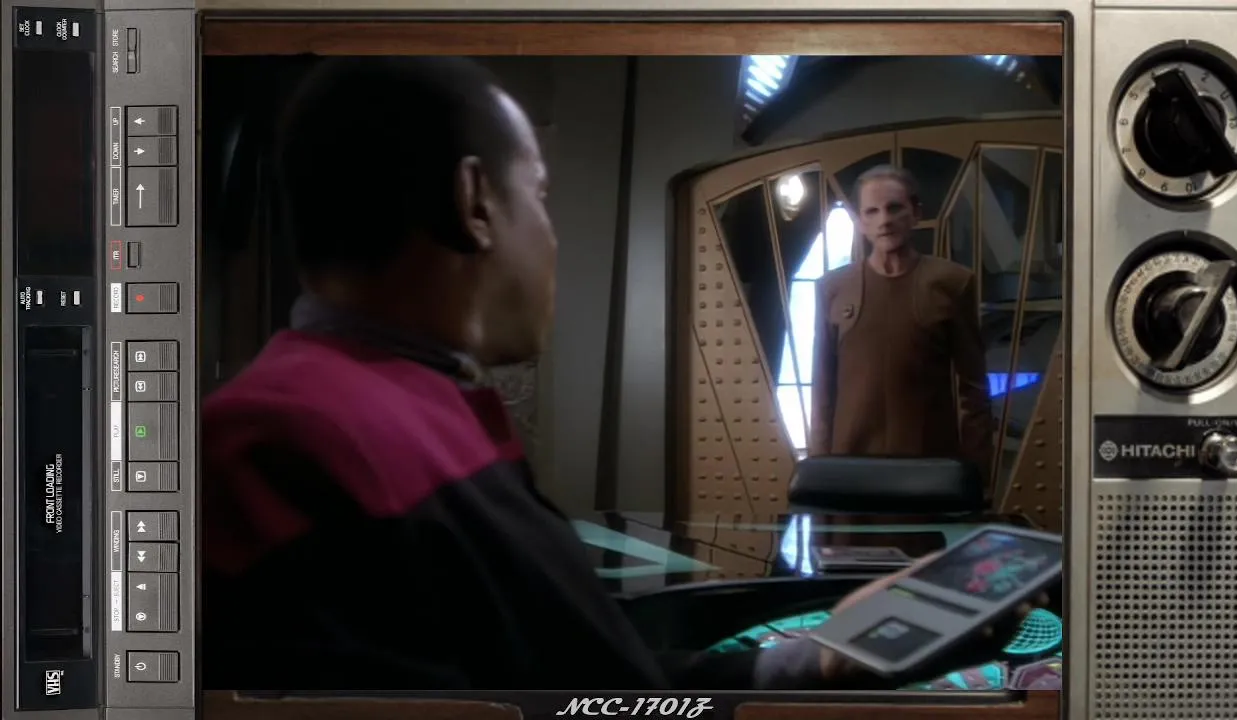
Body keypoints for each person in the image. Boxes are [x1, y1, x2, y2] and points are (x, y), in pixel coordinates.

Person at [200, 57, 1034, 691]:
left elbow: (578, 684)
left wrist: (815, 659)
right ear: (475, 202)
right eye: (540, 194)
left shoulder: (405, 408)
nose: (553, 235)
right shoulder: (285, 451)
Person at [808, 166, 996, 484]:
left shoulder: (952, 283)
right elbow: (822, 390)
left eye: (894, 208)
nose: (884, 220)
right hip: (850, 469)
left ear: (915, 212)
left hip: (929, 469)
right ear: (860, 222)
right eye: (872, 211)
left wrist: (977, 476)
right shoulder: (833, 288)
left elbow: (974, 389)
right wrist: (819, 469)